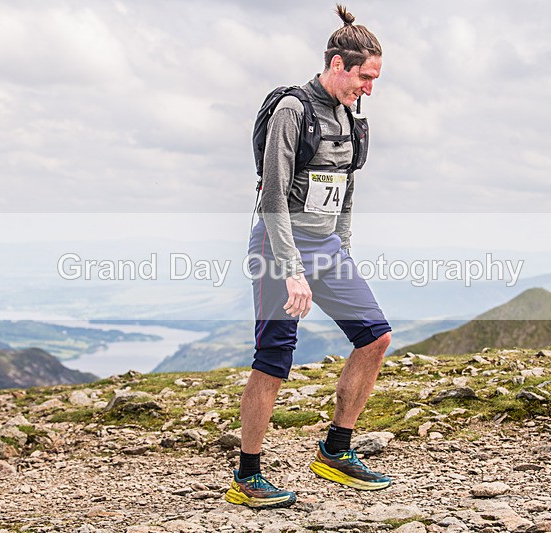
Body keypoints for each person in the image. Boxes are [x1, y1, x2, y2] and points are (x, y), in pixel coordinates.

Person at [225, 5, 392, 509]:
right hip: (279, 248)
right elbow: (274, 197)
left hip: (326, 249)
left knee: (375, 337)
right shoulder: (293, 111)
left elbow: (345, 190)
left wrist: (343, 250)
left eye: (374, 79)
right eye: (364, 77)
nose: (369, 88)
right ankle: (248, 476)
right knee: (274, 358)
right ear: (338, 64)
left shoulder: (352, 118)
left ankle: (336, 450)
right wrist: (293, 269)